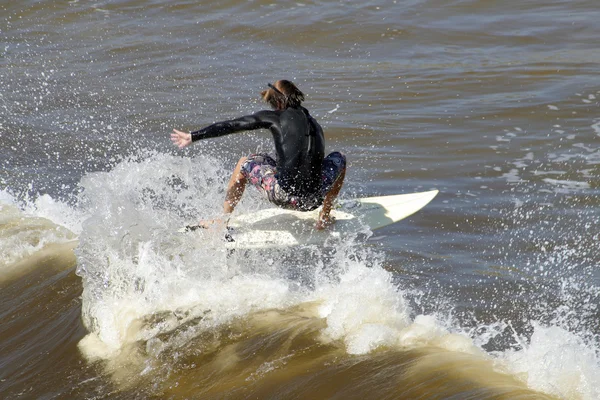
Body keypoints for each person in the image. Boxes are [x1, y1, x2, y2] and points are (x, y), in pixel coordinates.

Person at [171, 80, 346, 230]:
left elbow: (234, 125)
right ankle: (324, 218)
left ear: (278, 104)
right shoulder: (313, 123)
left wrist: (193, 136)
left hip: (283, 195)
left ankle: (222, 221)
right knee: (340, 158)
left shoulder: (276, 118)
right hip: (314, 199)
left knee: (244, 162)